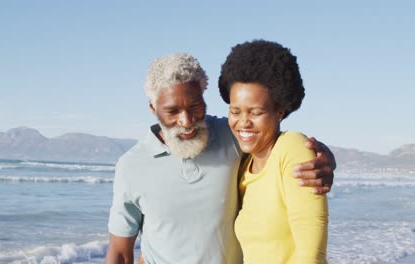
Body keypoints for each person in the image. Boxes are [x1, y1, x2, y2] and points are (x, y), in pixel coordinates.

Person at [105, 53, 335, 264]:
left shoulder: (231, 136)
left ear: (204, 98)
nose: (186, 121)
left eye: (195, 107)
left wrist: (324, 158)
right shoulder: (131, 166)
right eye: (172, 111)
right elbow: (120, 251)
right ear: (153, 108)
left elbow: (276, 145)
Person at [219, 39, 328, 263]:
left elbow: (311, 254)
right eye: (235, 111)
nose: (243, 122)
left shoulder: (292, 148)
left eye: (255, 112)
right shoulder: (243, 164)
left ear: (279, 111)